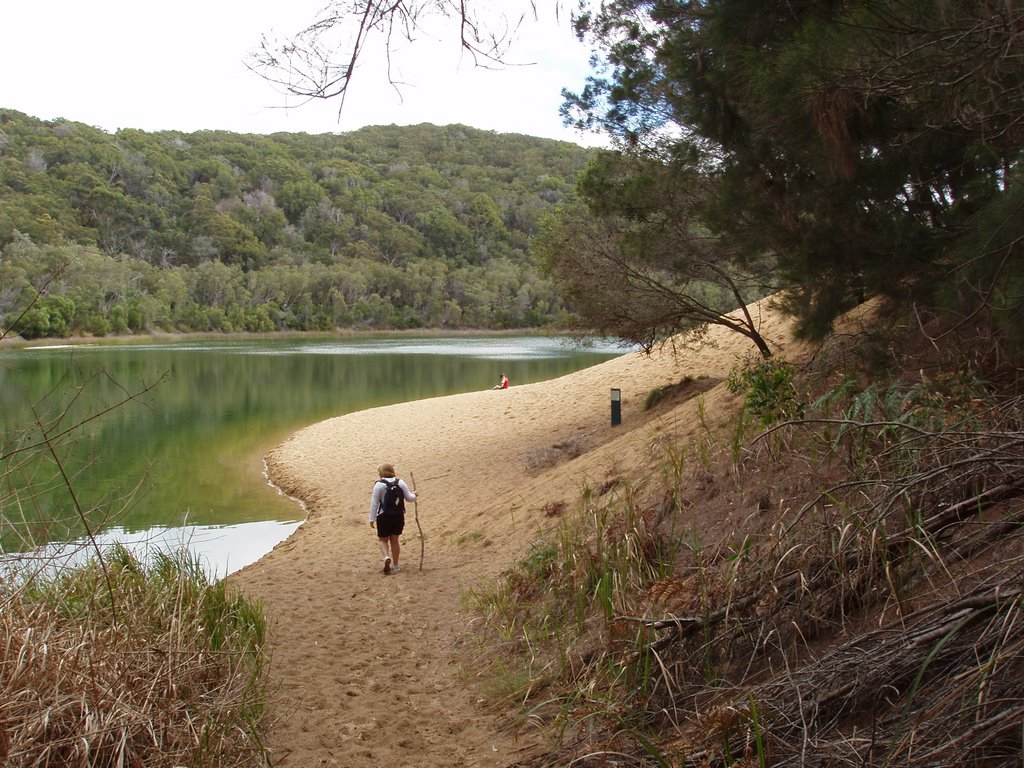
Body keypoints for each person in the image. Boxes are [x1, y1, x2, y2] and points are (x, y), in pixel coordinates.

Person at [368, 462, 417, 574]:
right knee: (395, 541)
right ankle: (396, 565)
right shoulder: (401, 482)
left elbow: (374, 503)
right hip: (398, 516)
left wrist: (372, 519)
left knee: (383, 540)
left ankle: (386, 557)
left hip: (384, 516)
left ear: (380, 473)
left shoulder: (379, 485)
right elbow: (409, 498)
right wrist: (415, 495)